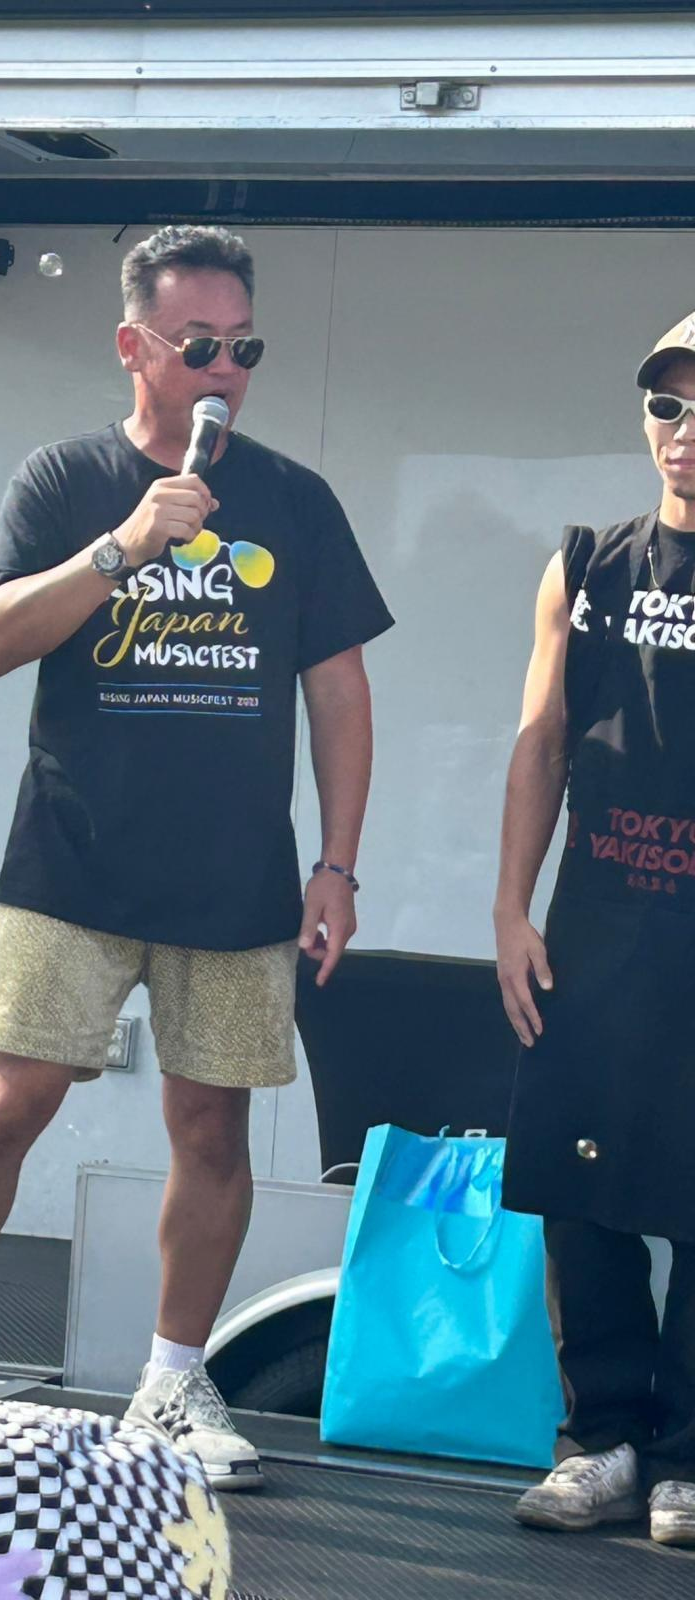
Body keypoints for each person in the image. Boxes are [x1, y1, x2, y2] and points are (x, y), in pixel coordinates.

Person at [0, 225, 393, 1491]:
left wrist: (338, 864)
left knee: (212, 1127)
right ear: (132, 347)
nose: (225, 372)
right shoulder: (66, 478)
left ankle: (172, 1378)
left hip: (236, 880)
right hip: (73, 865)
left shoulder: (296, 500)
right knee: (9, 1104)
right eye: (199, 346)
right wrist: (122, 547)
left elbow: (341, 693)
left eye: (245, 349)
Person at [496, 314, 695, 1546]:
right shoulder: (586, 566)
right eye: (668, 404)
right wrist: (511, 910)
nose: (685, 430)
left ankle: (687, 1461)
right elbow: (541, 745)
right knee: (585, 1194)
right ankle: (603, 1444)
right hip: (597, 926)